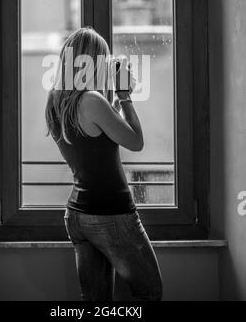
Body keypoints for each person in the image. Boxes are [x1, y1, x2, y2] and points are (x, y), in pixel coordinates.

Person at [46, 27, 163, 301]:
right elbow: (135, 141)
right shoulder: (92, 101)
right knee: (150, 292)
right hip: (110, 214)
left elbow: (100, 133)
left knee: (96, 302)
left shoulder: (55, 100)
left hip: (77, 215)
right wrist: (125, 95)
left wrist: (115, 97)